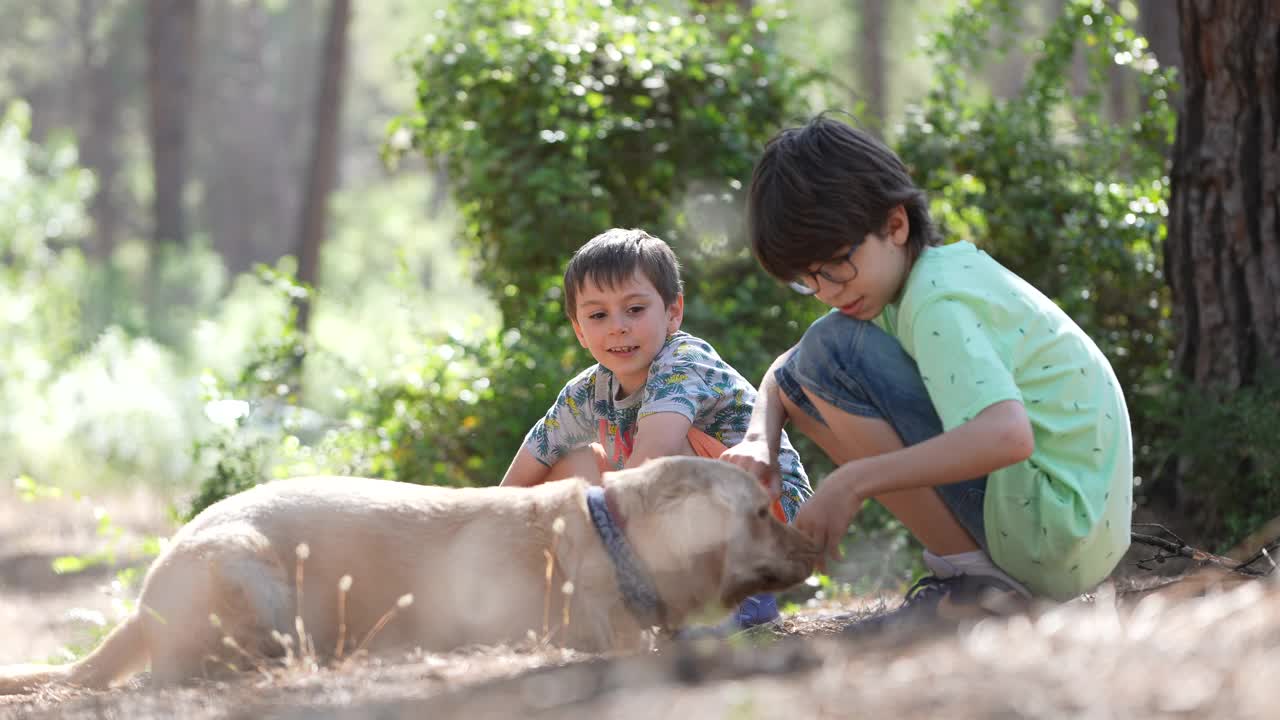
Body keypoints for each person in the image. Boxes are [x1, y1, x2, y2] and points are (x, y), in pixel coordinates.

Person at [720, 115, 1132, 624]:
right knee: (817, 358)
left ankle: (977, 585)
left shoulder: (938, 300)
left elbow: (1007, 436)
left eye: (834, 265)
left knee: (829, 354)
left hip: (1052, 526)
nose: (826, 289)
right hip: (1072, 535)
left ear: (895, 225)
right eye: (807, 280)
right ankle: (975, 573)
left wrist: (852, 481)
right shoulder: (913, 283)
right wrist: (760, 438)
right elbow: (786, 369)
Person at [501, 227, 813, 629]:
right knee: (569, 468)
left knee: (664, 459)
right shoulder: (586, 392)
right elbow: (518, 482)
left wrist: (610, 556)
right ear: (579, 329)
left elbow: (655, 457)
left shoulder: (682, 360)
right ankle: (576, 597)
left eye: (634, 309)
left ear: (672, 312)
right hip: (692, 519)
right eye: (598, 315)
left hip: (772, 518)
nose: (617, 327)